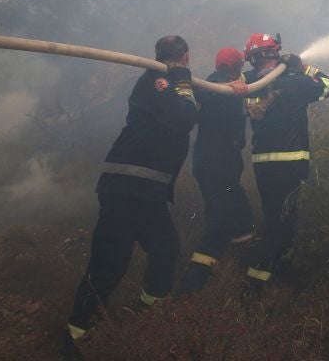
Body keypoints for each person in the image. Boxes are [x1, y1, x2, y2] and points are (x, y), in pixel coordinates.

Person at [66, 35, 204, 344]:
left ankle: (147, 315)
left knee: (166, 250)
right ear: (186, 56)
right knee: (110, 264)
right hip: (127, 190)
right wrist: (182, 82)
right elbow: (184, 118)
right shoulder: (159, 82)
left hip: (148, 193)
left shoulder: (171, 86)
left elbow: (193, 110)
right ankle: (77, 335)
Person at [241, 33, 329, 292]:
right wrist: (303, 66)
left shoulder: (247, 82)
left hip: (263, 165)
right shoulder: (296, 81)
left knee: (275, 219)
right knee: (284, 225)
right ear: (275, 53)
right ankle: (254, 285)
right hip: (291, 163)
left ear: (252, 58)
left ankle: (279, 277)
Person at [177, 47, 255, 295]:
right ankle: (191, 288)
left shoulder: (228, 83)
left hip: (221, 168)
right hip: (216, 168)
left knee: (243, 222)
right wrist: (231, 88)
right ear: (237, 66)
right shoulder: (214, 87)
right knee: (218, 225)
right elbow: (206, 93)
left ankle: (239, 271)